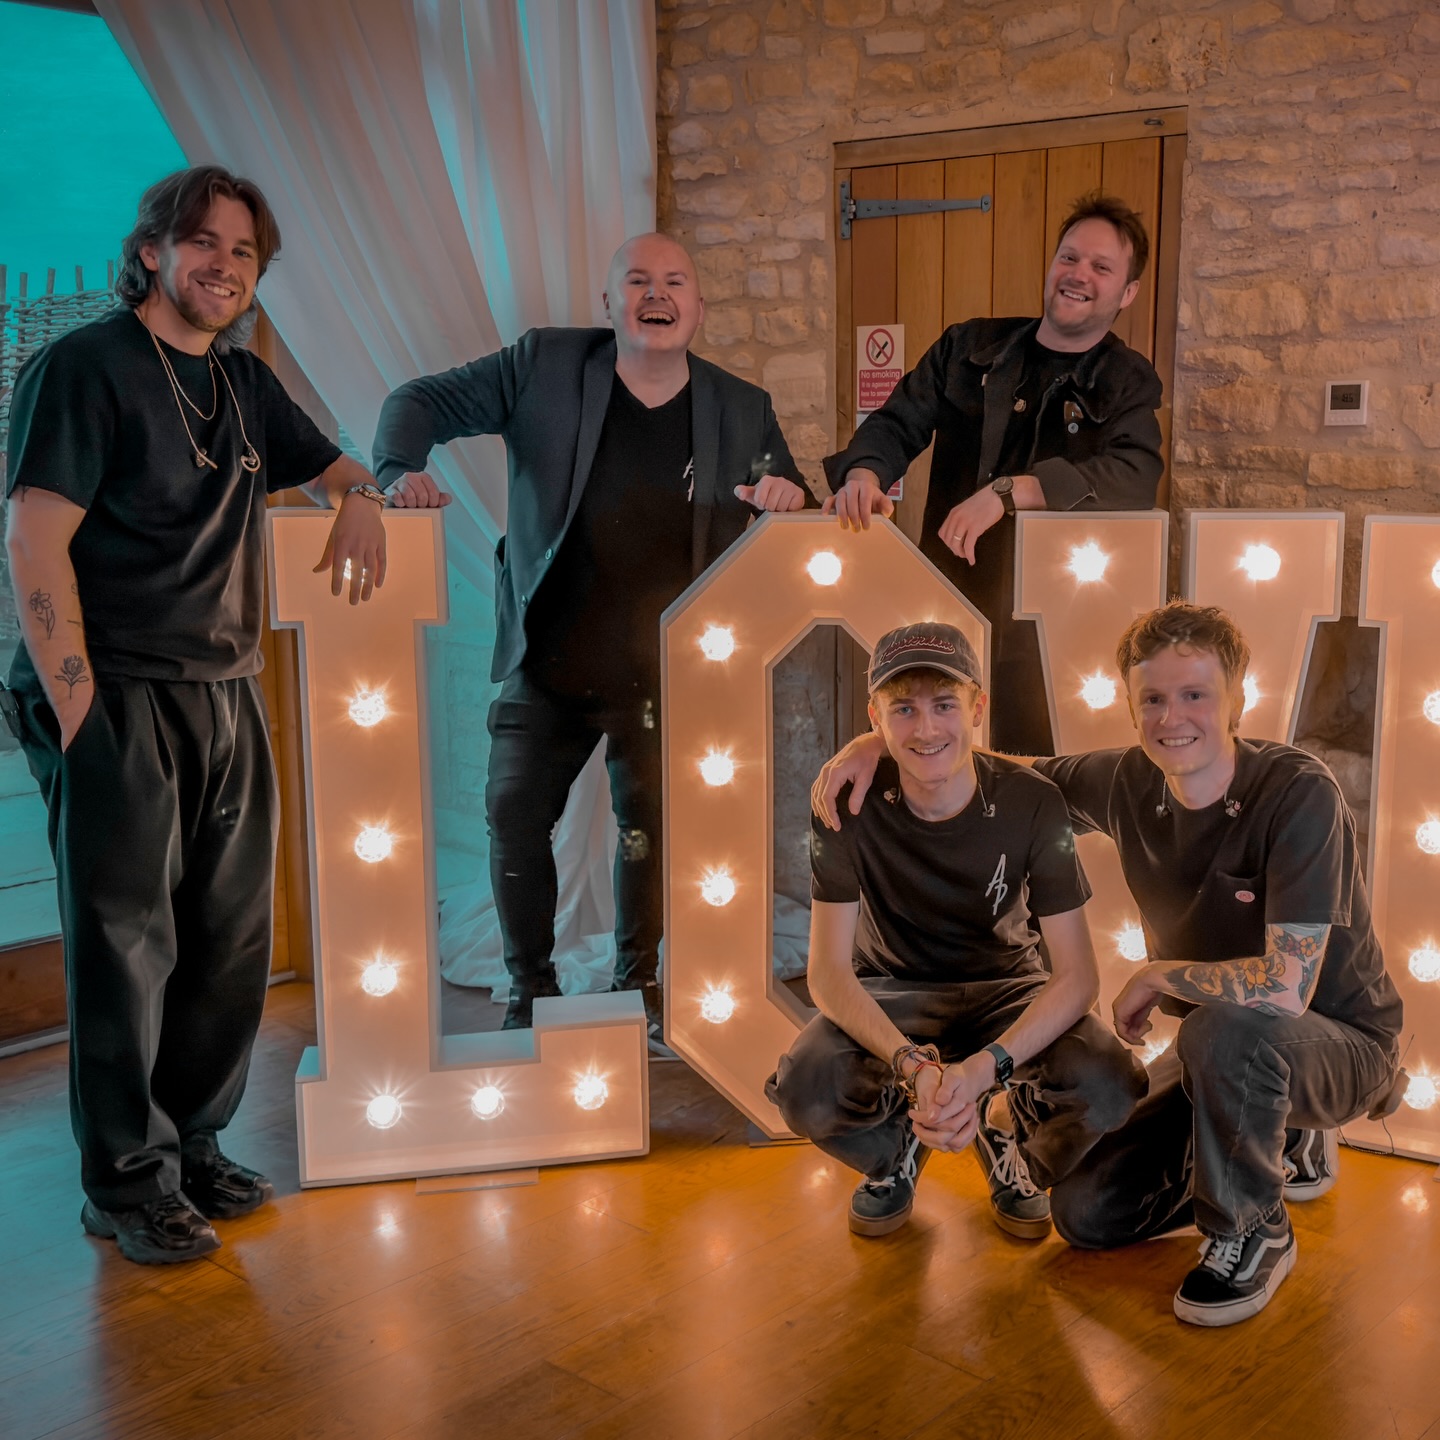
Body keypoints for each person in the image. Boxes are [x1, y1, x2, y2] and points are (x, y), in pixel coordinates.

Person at [2, 165, 422, 1265]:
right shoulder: (80, 369)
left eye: (244, 253)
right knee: (122, 944)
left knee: (230, 941)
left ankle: (190, 1144)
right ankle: (124, 1181)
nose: (223, 267)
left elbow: (333, 467)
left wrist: (365, 497)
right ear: (151, 250)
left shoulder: (243, 384)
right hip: (113, 687)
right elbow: (35, 542)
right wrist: (80, 710)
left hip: (224, 688)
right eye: (203, 244)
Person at [813, 602, 1404, 1325]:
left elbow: (1285, 987)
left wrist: (1159, 975)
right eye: (1152, 698)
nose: (1171, 716)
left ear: (1238, 699)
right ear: (1130, 707)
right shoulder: (1128, 782)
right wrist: (877, 742)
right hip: (1224, 1049)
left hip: (1335, 1038)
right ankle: (1279, 1140)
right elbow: (986, 769)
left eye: (1195, 694)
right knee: (1087, 1213)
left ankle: (1253, 1230)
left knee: (1223, 1033)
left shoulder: (1298, 793)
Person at [373, 232, 812, 1045]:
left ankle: (637, 986)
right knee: (512, 814)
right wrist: (398, 470)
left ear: (698, 308)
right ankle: (527, 992)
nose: (657, 293)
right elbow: (417, 401)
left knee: (646, 831)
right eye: (638, 280)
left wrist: (787, 493)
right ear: (610, 304)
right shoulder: (543, 366)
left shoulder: (739, 406)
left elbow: (789, 493)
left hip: (666, 674)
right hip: (550, 661)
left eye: (674, 281)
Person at [768, 622, 1146, 1240]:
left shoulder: (1032, 802)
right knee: (805, 1088)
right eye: (904, 709)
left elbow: (1078, 976)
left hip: (1008, 986)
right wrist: (915, 1070)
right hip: (894, 987)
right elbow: (828, 973)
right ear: (876, 716)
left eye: (945, 705)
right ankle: (898, 1152)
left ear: (977, 707)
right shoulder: (844, 803)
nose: (926, 728)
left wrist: (983, 1072)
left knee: (1109, 1081)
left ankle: (1010, 1142)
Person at [823, 192, 1163, 755]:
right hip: (947, 612)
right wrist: (863, 473)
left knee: (1039, 785)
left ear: (1126, 292)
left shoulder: (1128, 379)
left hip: (1056, 641)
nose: (1079, 274)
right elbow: (896, 422)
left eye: (1101, 267)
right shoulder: (967, 346)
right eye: (1070, 257)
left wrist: (1011, 491)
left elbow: (1136, 473)